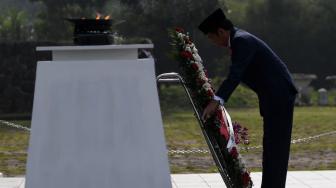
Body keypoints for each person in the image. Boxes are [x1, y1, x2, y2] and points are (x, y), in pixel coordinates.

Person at [198, 8, 298, 188]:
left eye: (212, 38)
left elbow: (235, 75)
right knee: (272, 149)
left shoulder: (241, 41)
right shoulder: (239, 40)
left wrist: (216, 100)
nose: (213, 43)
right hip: (274, 97)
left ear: (221, 32)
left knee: (275, 150)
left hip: (279, 97)